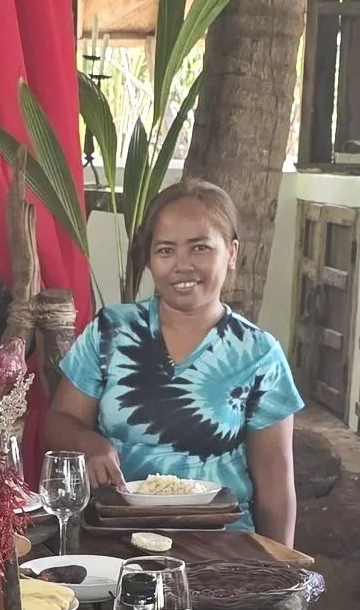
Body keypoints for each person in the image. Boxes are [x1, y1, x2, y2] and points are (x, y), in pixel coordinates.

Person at [43, 180, 303, 544]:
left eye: (200, 247)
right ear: (150, 259)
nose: (182, 265)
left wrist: (280, 567)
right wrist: (88, 442)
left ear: (231, 253)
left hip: (223, 545)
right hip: (117, 538)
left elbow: (275, 482)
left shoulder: (259, 354)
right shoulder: (111, 331)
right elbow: (58, 422)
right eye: (166, 250)